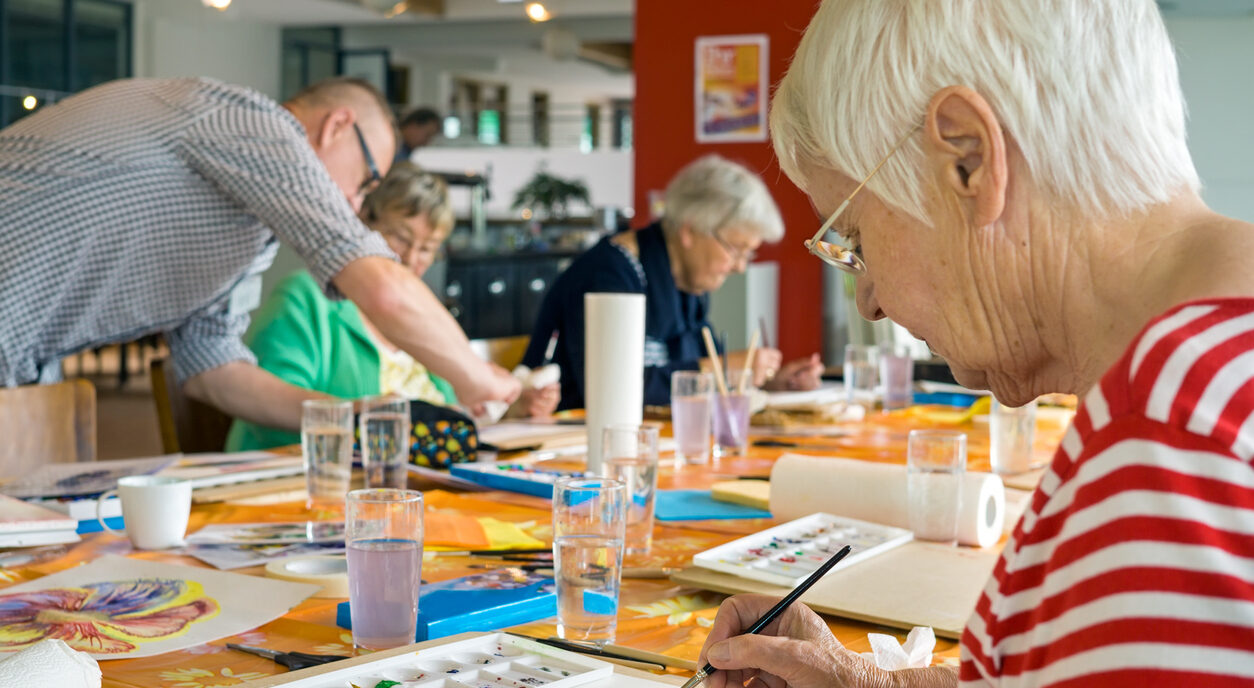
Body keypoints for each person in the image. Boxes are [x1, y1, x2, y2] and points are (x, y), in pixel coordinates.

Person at [698, 1, 1254, 686]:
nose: (868, 300)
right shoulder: (1208, 381)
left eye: (858, 240)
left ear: (969, 157)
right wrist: (873, 682)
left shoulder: (1170, 452)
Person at [0, 77, 519, 433]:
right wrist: (479, 377)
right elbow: (381, 285)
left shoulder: (247, 230)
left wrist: (353, 416)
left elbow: (214, 368)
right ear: (337, 126)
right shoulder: (256, 123)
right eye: (363, 181)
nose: (353, 204)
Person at [226, 162, 560, 451]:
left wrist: (511, 410)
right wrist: (362, 413)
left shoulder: (421, 316)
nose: (411, 259)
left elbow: (451, 411)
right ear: (363, 221)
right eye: (399, 237)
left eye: (428, 248)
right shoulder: (306, 298)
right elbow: (264, 416)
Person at [522, 155, 825, 410]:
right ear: (690, 231)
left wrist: (769, 379)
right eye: (736, 249)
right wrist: (720, 370)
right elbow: (612, 390)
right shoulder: (608, 275)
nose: (740, 266)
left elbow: (697, 365)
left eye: (750, 253)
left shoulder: (687, 283)